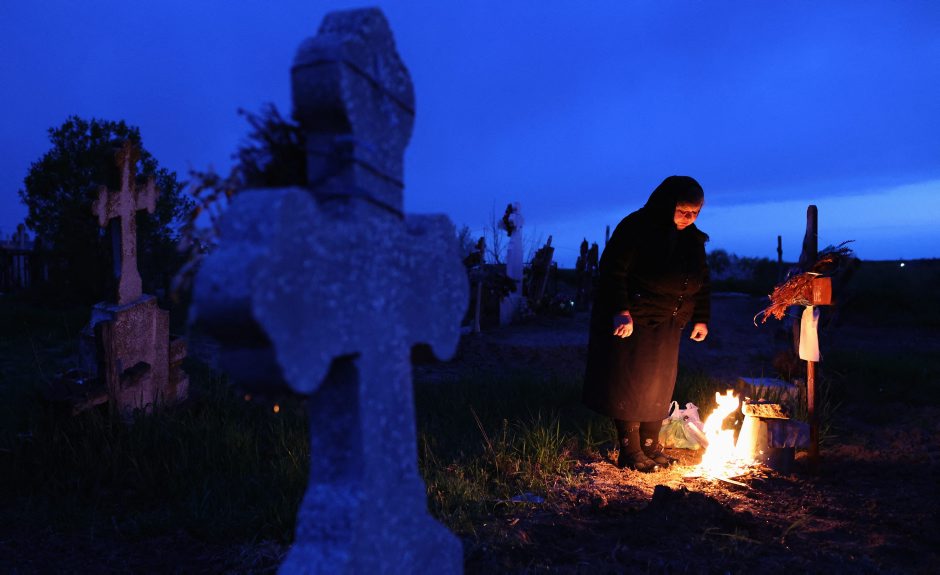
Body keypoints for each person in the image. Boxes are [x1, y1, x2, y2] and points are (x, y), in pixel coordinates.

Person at [583, 175, 711, 472]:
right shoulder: (636, 227)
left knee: (658, 386)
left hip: (670, 321)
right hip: (636, 319)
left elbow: (702, 281)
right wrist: (621, 310)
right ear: (667, 205)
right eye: (683, 211)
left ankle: (651, 445)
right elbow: (613, 271)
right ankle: (630, 450)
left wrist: (701, 318)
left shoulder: (693, 240)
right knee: (631, 385)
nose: (689, 218)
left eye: (695, 212)